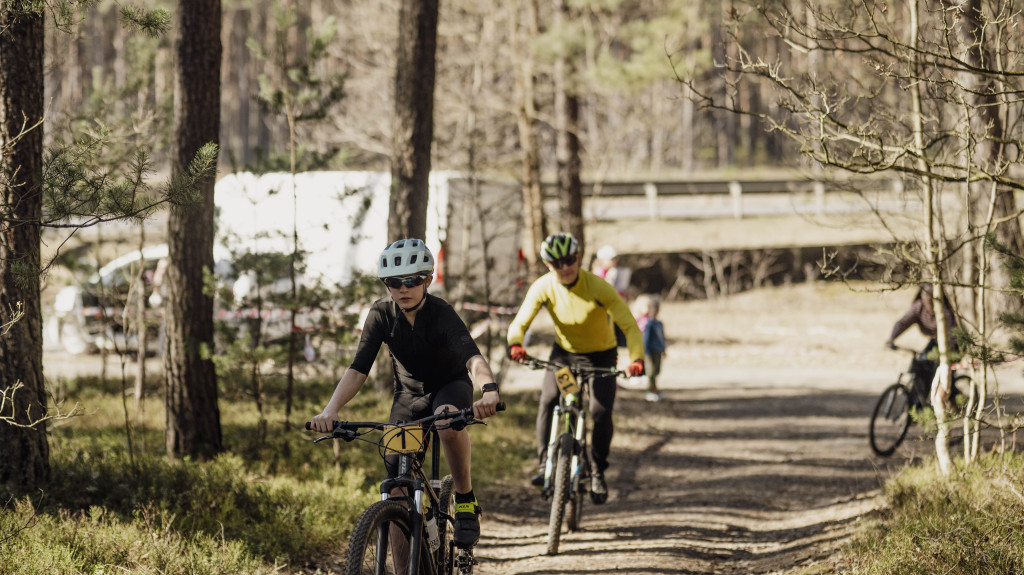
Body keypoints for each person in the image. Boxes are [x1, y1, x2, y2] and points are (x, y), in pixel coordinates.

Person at [310, 238, 501, 549]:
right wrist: (331, 410)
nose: (402, 289)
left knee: (446, 423)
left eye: (411, 280)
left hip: (449, 386)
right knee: (397, 492)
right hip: (408, 397)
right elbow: (359, 368)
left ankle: (465, 499)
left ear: (427, 279)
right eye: (393, 282)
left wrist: (489, 390)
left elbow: (472, 357)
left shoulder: (442, 313)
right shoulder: (381, 314)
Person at [506, 232, 645, 504]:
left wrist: (637, 358)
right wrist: (515, 344)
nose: (565, 267)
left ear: (578, 257)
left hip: (601, 357)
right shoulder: (544, 286)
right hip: (565, 357)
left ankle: (597, 471)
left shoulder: (598, 287)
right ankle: (545, 463)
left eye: (569, 260)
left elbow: (629, 324)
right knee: (548, 400)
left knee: (600, 411)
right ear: (548, 265)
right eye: (557, 263)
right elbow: (520, 322)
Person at [885, 282, 958, 405]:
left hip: (950, 344)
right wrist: (892, 338)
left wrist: (946, 352)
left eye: (931, 295)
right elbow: (903, 322)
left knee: (939, 371)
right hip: (935, 342)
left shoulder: (943, 311)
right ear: (921, 296)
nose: (928, 298)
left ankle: (952, 398)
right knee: (919, 365)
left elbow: (951, 334)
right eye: (926, 295)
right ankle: (919, 403)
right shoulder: (918, 308)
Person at [592, 245, 632, 347]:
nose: (615, 261)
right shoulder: (598, 272)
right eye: (612, 259)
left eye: (615, 259)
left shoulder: (614, 271)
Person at [634, 294, 667, 402]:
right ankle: (650, 390)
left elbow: (662, 338)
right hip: (651, 351)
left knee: (657, 370)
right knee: (651, 371)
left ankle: (654, 388)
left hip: (658, 351)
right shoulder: (648, 324)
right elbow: (646, 339)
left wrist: (664, 350)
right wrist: (646, 352)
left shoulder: (659, 323)